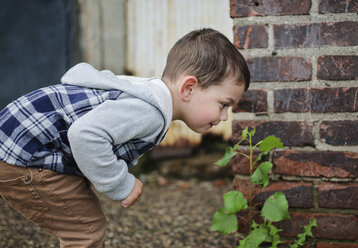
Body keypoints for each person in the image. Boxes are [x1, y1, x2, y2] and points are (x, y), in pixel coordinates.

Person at [0, 28, 250, 247]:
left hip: (21, 142)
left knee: (83, 215)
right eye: (224, 104)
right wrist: (120, 184)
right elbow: (85, 134)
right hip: (22, 153)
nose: (225, 117)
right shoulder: (149, 111)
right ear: (188, 88)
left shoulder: (146, 92)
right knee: (85, 229)